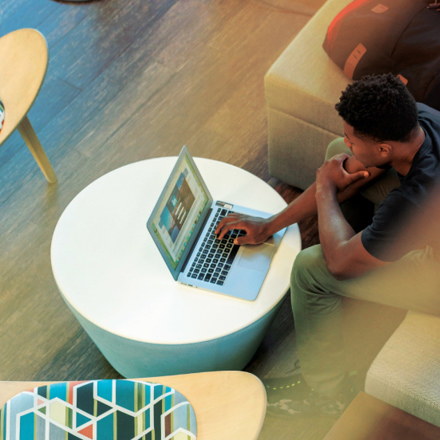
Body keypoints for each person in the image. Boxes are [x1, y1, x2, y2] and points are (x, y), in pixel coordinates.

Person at [215, 73, 440, 417]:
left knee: (310, 268)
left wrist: (324, 189)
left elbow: (335, 262)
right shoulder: (419, 119)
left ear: (384, 148)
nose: (347, 142)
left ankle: (325, 393)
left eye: (353, 138)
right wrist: (269, 225)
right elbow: (343, 165)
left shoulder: (415, 201)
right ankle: (361, 256)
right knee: (336, 158)